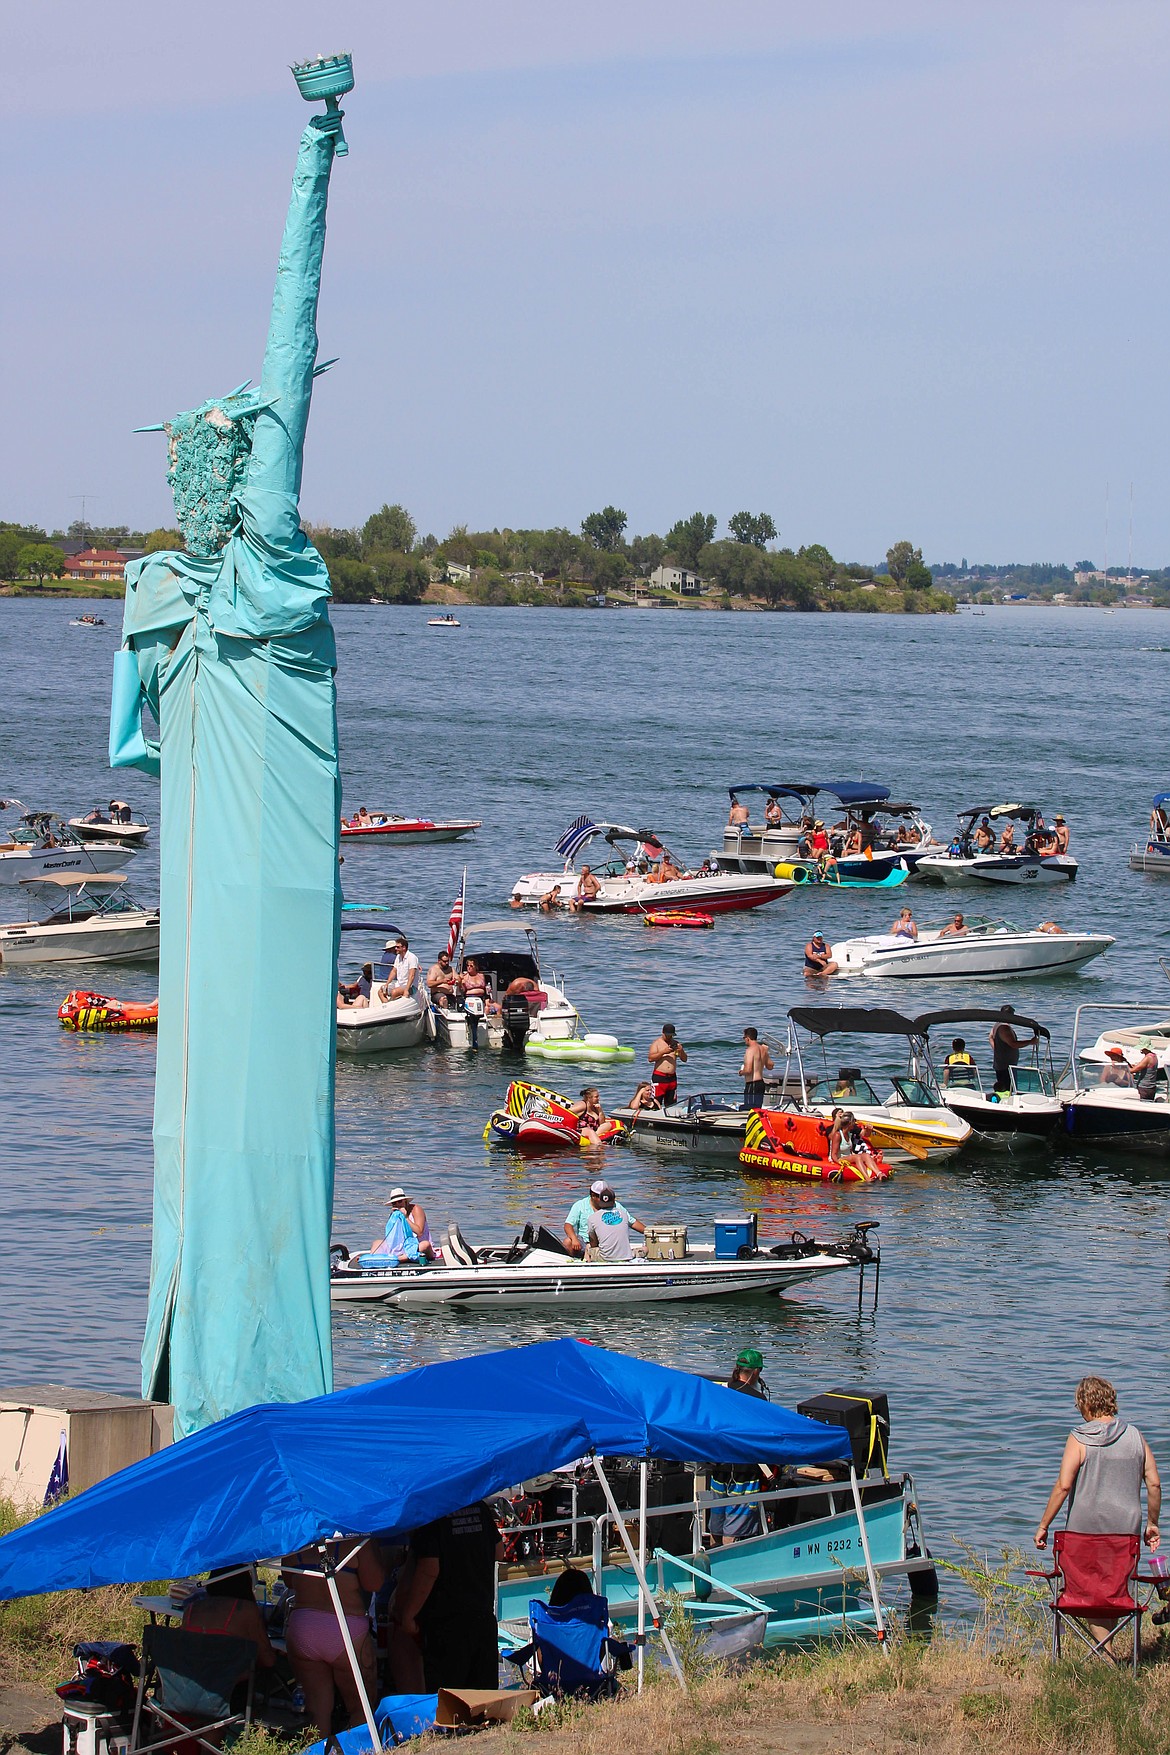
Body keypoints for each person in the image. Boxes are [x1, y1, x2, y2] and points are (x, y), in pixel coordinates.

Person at [1034, 1376, 1161, 1654]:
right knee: (1112, 1590)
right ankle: (1109, 1652)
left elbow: (1064, 1485)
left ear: (1085, 1405)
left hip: (1084, 1530)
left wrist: (1044, 1525)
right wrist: (1152, 1523)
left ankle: (1106, 1654)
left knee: (1088, 1593)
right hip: (1125, 1530)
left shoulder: (1079, 1437)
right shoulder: (1136, 1436)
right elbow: (1153, 1483)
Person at [396, 1504, 503, 1692]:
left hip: (446, 1623)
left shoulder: (432, 1514)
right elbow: (498, 1551)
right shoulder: (480, 1507)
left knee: (449, 1705)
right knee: (484, 1703)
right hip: (482, 1616)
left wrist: (409, 1614)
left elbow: (429, 1568)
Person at [282, 1539, 385, 1734]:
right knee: (360, 1707)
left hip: (305, 1624)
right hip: (346, 1625)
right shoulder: (357, 1541)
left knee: (316, 1711)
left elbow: (289, 1580)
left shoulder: (295, 1539)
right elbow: (375, 1583)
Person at [709, 1349, 769, 1545]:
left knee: (716, 1528)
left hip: (719, 1470)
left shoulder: (721, 1392)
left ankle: (711, 1561)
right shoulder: (758, 1400)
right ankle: (727, 1570)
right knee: (733, 1531)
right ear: (756, 1372)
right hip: (743, 1474)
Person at [182, 1564, 276, 1668]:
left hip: (191, 1678)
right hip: (230, 1680)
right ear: (244, 1585)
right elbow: (268, 1660)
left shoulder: (191, 1609)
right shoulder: (246, 1610)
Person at [586, 1183, 645, 1261]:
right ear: (614, 1200)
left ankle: (588, 1265)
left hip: (605, 1258)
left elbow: (593, 1242)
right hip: (627, 1256)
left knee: (588, 1247)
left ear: (600, 1201)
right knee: (646, 1249)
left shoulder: (592, 1218)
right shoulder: (624, 1214)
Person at [990, 1006, 1038, 1093]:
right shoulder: (1004, 1028)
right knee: (1007, 1090)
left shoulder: (997, 1024)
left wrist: (996, 1049)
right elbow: (1013, 1044)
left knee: (1004, 1088)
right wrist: (1030, 1042)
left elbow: (990, 1037)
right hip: (1006, 1066)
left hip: (1001, 1063)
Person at [370, 1189, 422, 1264]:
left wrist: (406, 1217)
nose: (398, 1204)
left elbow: (419, 1232)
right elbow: (391, 1235)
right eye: (394, 1203)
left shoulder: (415, 1209)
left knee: (424, 1245)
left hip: (416, 1243)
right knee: (377, 1242)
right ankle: (371, 1258)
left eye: (400, 1201)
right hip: (402, 1245)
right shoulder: (395, 1214)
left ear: (405, 1201)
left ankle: (394, 1259)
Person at [564, 1179, 608, 1256]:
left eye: (606, 1197)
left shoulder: (613, 1205)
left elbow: (632, 1222)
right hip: (584, 1242)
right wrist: (574, 1239)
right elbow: (568, 1225)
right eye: (601, 1197)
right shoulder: (580, 1205)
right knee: (568, 1242)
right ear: (593, 1195)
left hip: (605, 1242)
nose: (604, 1200)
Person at [648, 1023, 687, 1104]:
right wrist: (663, 1052)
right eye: (667, 1035)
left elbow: (684, 1059)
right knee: (655, 1103)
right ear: (663, 1033)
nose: (669, 1037)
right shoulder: (657, 1043)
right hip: (659, 1077)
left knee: (671, 1104)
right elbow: (650, 1058)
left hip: (672, 1078)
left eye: (671, 1035)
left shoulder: (675, 1044)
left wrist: (681, 1051)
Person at [739, 1027, 774, 1109]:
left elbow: (748, 1070)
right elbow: (770, 1066)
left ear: (747, 1038)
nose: (744, 1040)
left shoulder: (750, 1050)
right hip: (761, 1083)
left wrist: (741, 1072)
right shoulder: (763, 1049)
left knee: (749, 1109)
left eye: (744, 1038)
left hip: (752, 1083)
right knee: (758, 1109)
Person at [378, 935, 419, 1003]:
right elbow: (394, 971)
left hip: (411, 986)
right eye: (395, 947)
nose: (396, 949)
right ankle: (387, 1005)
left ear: (404, 948)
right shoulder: (398, 957)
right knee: (381, 991)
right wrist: (387, 984)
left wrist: (406, 990)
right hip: (399, 984)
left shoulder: (412, 958)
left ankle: (389, 1006)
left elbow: (412, 976)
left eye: (398, 947)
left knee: (394, 992)